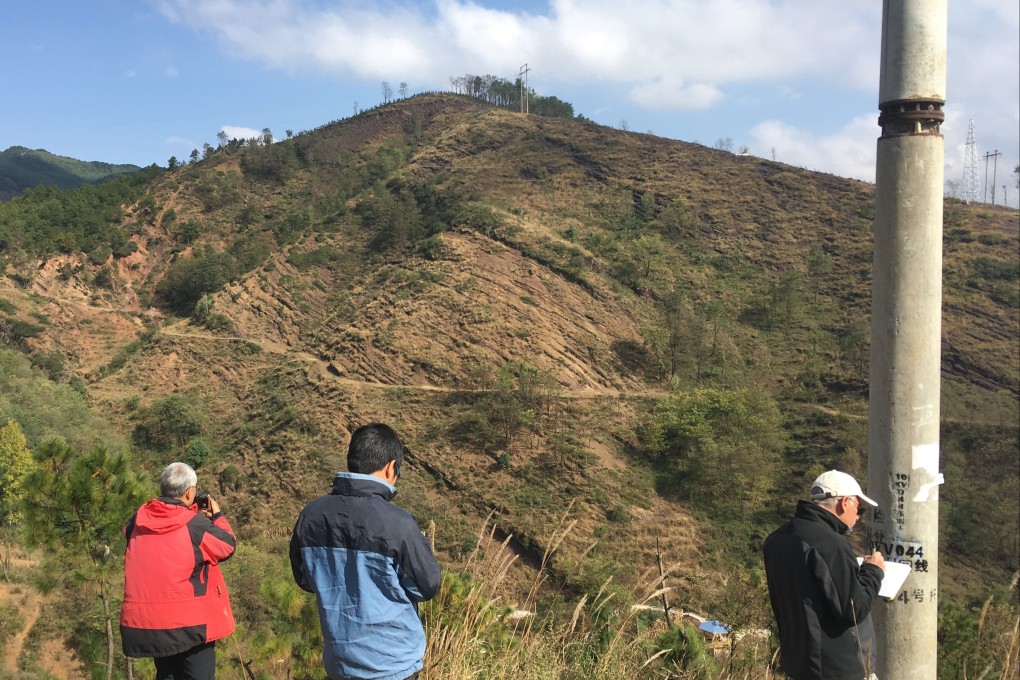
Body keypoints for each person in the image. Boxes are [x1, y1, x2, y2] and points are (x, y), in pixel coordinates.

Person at [290, 423, 441, 680]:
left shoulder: (312, 515)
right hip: (393, 666)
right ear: (391, 467)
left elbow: (305, 579)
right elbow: (427, 586)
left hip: (340, 666)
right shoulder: (397, 523)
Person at [763, 470, 886, 680]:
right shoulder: (830, 544)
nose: (858, 516)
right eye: (859, 508)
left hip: (800, 664)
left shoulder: (776, 539)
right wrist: (873, 571)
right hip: (836, 668)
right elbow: (853, 610)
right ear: (844, 502)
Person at [121, 462, 236, 679]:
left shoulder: (138, 521)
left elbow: (133, 531)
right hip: (189, 627)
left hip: (151, 625)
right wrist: (217, 516)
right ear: (189, 492)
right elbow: (227, 546)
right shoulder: (195, 526)